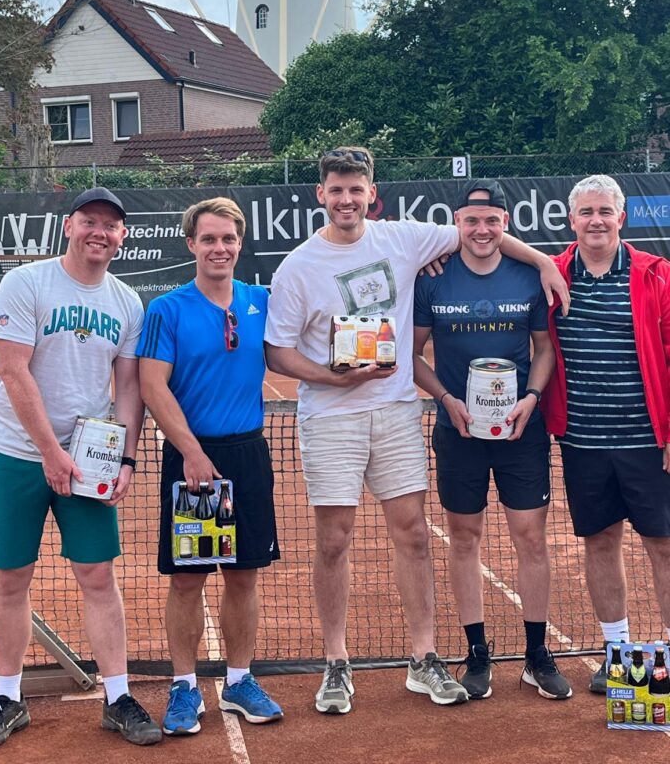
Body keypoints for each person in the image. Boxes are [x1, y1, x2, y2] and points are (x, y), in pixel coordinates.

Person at [264, 148, 569, 714]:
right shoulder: (297, 266)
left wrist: (543, 262)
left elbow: (481, 232)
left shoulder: (404, 238)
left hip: (398, 412)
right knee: (333, 540)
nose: (347, 199)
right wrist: (334, 376)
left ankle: (423, 658)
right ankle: (336, 662)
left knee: (414, 535)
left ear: (372, 194)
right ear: (321, 194)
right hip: (331, 418)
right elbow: (278, 352)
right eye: (337, 190)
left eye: (356, 189)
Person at [0, 187, 161, 751]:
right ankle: (8, 697)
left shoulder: (128, 303)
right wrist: (49, 453)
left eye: (110, 225)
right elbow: (13, 371)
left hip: (88, 459)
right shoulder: (26, 283)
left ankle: (117, 697)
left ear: (122, 237)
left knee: (98, 575)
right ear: (69, 226)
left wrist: (125, 456)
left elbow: (127, 388)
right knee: (10, 578)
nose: (99, 232)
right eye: (89, 221)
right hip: (16, 455)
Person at [413, 179, 572, 702]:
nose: (481, 230)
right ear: (456, 223)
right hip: (458, 430)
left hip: (521, 429)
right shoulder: (432, 277)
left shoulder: (529, 276)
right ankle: (477, 653)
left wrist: (532, 397)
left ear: (505, 224)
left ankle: (536, 655)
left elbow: (544, 349)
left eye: (491, 221)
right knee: (464, 538)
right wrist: (444, 399)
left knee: (530, 537)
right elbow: (412, 355)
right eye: (471, 221)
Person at [137, 197, 282, 736]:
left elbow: (298, 341)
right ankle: (184, 685)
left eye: (228, 239)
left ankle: (240, 680)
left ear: (240, 244)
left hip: (248, 455)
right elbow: (152, 386)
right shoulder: (167, 309)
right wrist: (192, 452)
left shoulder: (260, 300)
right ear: (191, 244)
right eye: (208, 239)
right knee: (189, 579)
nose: (219, 248)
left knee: (244, 576)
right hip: (192, 459)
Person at [540, 174, 670, 693]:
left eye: (605, 211)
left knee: (663, 545)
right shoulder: (552, 274)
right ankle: (618, 655)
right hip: (582, 443)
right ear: (571, 220)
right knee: (600, 543)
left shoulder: (656, 275)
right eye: (587, 212)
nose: (596, 221)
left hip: (647, 442)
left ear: (622, 217)